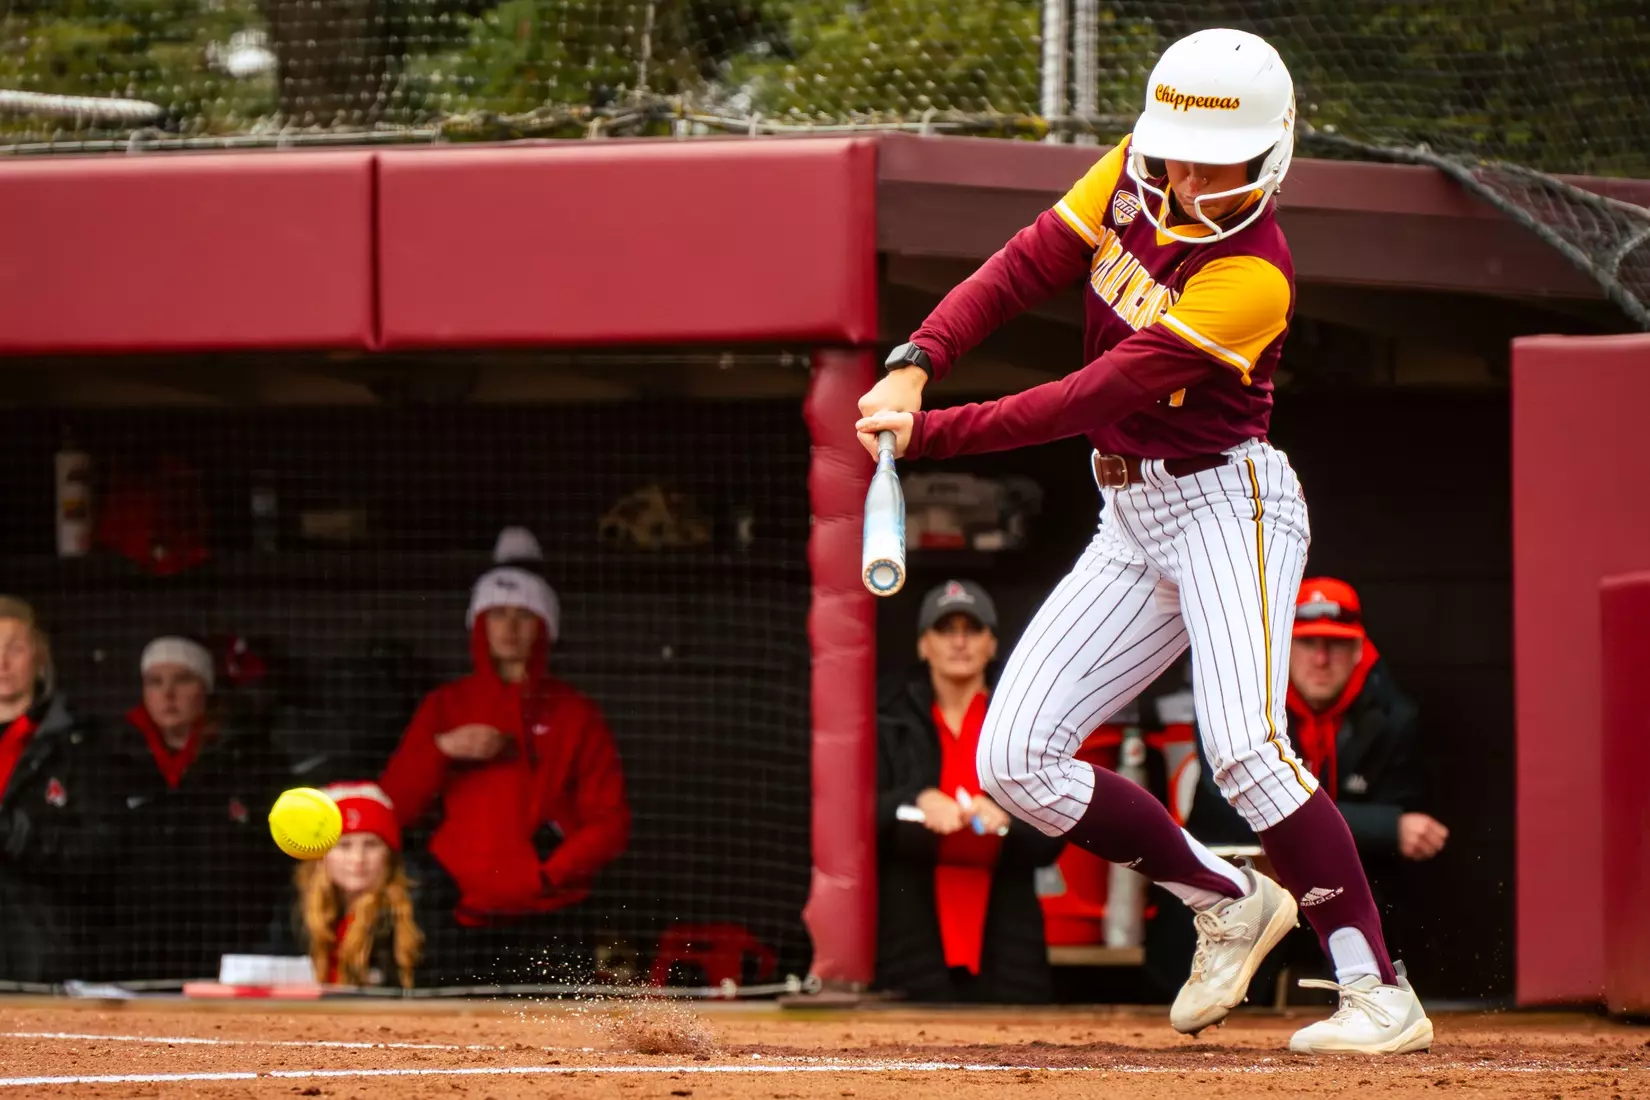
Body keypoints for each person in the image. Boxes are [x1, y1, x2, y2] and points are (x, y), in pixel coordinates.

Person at [853, 28, 1430, 1053]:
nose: (1190, 177)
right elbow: (1027, 259)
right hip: (1129, 513)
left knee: (1247, 745)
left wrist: (929, 429)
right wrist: (917, 354)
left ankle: (1376, 986)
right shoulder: (1137, 163)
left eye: (1221, 161)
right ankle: (1225, 897)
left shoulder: (1256, 273)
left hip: (1226, 504)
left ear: (1271, 157)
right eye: (1177, 154)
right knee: (1014, 758)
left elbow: (1088, 395)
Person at [379, 528, 630, 982]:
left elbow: (610, 821)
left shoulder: (576, 714)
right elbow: (394, 806)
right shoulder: (446, 705)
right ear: (479, 623)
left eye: (523, 615)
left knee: (558, 1045)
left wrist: (548, 876)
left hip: (553, 914)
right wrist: (443, 750)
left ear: (544, 626)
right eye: (497, 615)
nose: (509, 629)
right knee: (447, 1043)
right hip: (457, 915)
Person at [876, 580, 1065, 1003]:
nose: (959, 642)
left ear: (992, 643)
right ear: (924, 645)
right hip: (911, 938)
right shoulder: (887, 717)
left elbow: (1056, 834)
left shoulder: (1025, 723)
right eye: (946, 629)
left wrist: (1008, 816)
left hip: (1009, 939)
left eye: (972, 629)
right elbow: (853, 821)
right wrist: (916, 801)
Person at [106, 635, 288, 980]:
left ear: (206, 687)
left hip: (231, 946)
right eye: (155, 682)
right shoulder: (111, 757)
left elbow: (274, 862)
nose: (168, 694)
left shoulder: (253, 758)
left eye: (183, 679)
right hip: (134, 950)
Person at [0, 596, 113, 983]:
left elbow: (100, 852)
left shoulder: (77, 745)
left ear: (40, 657)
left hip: (41, 954)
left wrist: (18, 835)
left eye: (15, 647)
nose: (3, 662)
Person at [264, 782, 423, 988]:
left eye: (371, 845)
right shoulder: (296, 908)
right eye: (344, 845)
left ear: (389, 854)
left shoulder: (416, 911)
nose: (357, 859)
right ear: (322, 856)